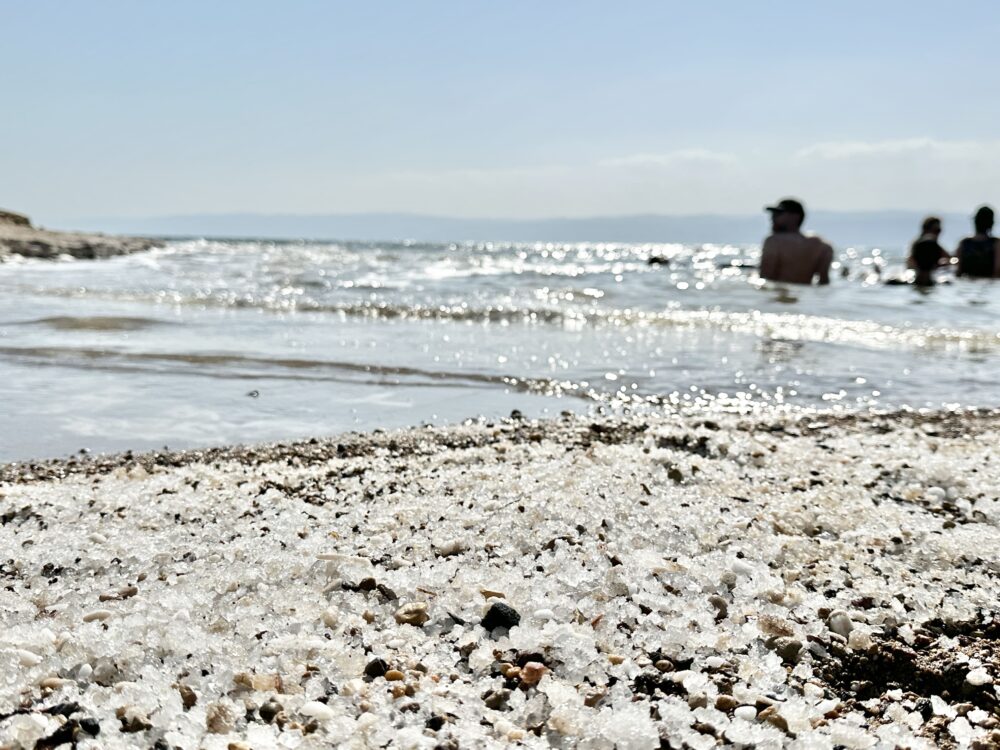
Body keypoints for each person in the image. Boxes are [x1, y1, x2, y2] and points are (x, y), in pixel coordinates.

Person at [759, 198, 833, 285]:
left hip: (779, 292)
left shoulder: (773, 241)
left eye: (778, 214)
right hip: (805, 293)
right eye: (773, 214)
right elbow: (824, 283)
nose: (772, 218)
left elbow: (765, 279)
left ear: (795, 216)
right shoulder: (823, 246)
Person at [955, 206, 1000, 279]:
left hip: (967, 281)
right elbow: (997, 270)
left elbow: (958, 271)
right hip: (988, 281)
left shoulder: (964, 242)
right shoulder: (996, 243)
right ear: (991, 223)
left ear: (975, 222)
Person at [907, 216, 950, 286]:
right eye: (936, 230)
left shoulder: (934, 245)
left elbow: (949, 258)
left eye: (939, 230)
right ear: (925, 229)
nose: (938, 234)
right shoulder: (922, 245)